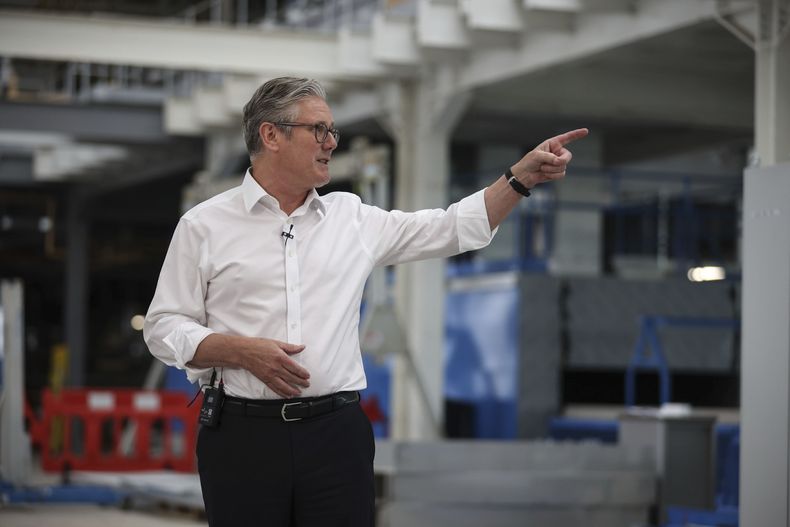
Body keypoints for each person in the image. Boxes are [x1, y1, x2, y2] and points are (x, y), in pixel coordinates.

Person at [144, 76, 587, 527]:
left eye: (332, 130)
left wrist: (519, 178)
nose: (330, 142)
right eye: (318, 129)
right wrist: (239, 351)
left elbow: (451, 226)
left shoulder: (352, 218)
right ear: (271, 135)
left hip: (335, 438)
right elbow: (163, 326)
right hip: (242, 438)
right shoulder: (204, 226)